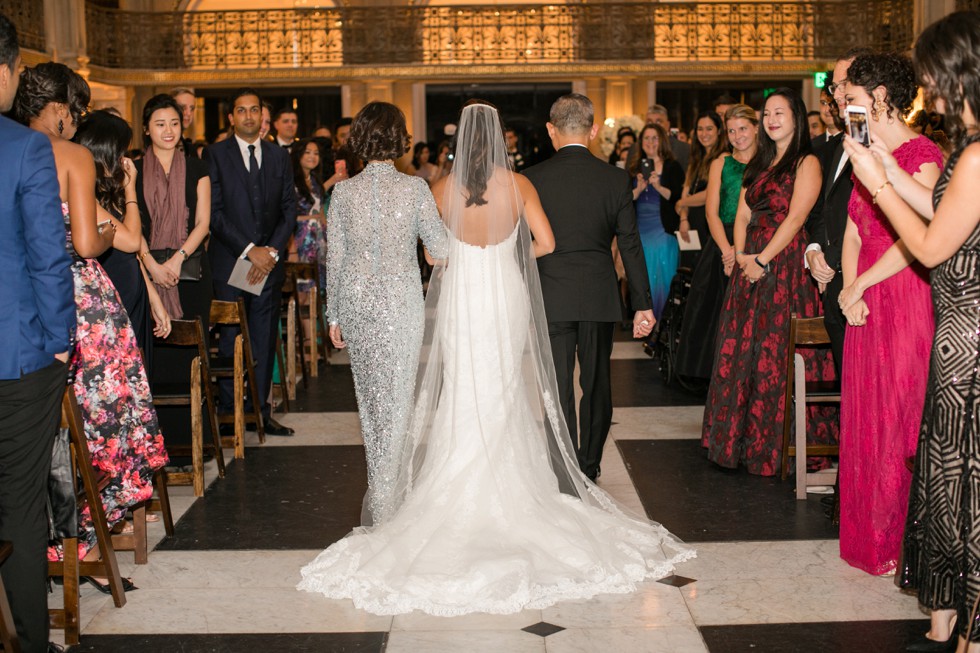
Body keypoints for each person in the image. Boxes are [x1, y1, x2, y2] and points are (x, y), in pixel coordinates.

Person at [298, 100, 694, 616]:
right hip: (503, 292)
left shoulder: (438, 188)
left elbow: (433, 250)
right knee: (505, 385)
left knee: (463, 385)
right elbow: (546, 243)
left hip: (463, 293)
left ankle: (446, 484)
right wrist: (506, 255)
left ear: (460, 144)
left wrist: (455, 256)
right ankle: (513, 485)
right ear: (502, 143)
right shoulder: (520, 185)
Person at [844, 11, 980, 650]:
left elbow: (927, 246)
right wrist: (884, 167)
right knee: (950, 479)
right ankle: (950, 619)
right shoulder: (966, 152)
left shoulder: (975, 153)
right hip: (958, 332)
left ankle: (965, 624)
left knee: (961, 481)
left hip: (966, 336)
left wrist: (876, 181)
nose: (926, 87)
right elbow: (934, 205)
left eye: (933, 75)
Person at [14, 62, 169, 584]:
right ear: (58, 110)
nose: (77, 123)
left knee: (46, 434)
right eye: (75, 112)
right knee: (99, 429)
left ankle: (46, 549)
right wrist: (101, 233)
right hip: (81, 303)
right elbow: (85, 244)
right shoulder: (71, 156)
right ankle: (85, 547)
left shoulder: (9, 148)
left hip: (22, 304)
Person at [833, 52, 944, 577]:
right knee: (867, 413)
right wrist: (848, 289)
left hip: (905, 295)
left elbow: (916, 239)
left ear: (880, 96)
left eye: (850, 95)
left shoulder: (922, 153)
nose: (841, 104)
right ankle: (869, 537)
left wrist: (861, 284)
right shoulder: (863, 155)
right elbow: (854, 229)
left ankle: (907, 541)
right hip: (865, 300)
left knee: (903, 416)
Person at [322, 102, 448, 524]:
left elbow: (335, 258)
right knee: (397, 400)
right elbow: (441, 249)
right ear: (399, 139)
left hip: (356, 301)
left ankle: (382, 498)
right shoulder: (415, 190)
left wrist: (333, 315)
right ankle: (390, 500)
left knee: (370, 402)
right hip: (399, 300)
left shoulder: (342, 192)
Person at [701, 88, 837, 476]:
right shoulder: (759, 162)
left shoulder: (806, 161)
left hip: (785, 266)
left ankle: (778, 448)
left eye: (779, 112)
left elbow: (796, 219)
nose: (771, 119)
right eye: (767, 114)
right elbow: (743, 214)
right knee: (742, 350)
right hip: (752, 265)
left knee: (775, 353)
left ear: (795, 117)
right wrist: (744, 256)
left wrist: (762, 259)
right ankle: (740, 444)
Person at [524, 93, 654, 482]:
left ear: (551, 130)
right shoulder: (615, 178)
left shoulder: (532, 177)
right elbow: (629, 243)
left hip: (551, 294)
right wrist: (643, 304)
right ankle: (590, 463)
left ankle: (563, 465)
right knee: (596, 383)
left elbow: (521, 243)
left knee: (557, 384)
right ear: (594, 130)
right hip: (599, 293)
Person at [0, 15, 75, 652]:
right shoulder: (24, 149)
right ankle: (30, 641)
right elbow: (49, 256)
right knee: (19, 502)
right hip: (18, 353)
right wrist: (60, 339)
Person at [208, 88, 297, 437]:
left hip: (268, 265)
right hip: (232, 263)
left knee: (263, 339)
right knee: (231, 338)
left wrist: (271, 250)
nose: (248, 116)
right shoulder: (214, 154)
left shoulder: (277, 157)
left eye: (254, 110)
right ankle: (232, 414)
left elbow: (289, 208)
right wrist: (249, 250)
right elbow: (214, 212)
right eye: (241, 110)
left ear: (263, 116)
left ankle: (260, 412)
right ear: (231, 117)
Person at [74, 110, 171, 373]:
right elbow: (130, 241)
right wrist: (131, 189)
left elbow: (134, 253)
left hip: (133, 296)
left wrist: (154, 299)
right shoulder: (84, 198)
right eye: (119, 152)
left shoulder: (106, 191)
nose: (123, 160)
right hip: (113, 305)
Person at [675, 105, 757, 381]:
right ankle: (722, 376)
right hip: (723, 242)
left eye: (743, 129)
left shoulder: (770, 162)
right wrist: (727, 252)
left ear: (756, 128)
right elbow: (711, 212)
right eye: (732, 131)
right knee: (717, 313)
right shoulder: (721, 163)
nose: (737, 136)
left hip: (759, 242)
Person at [806, 48, 873, 377]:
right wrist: (814, 250)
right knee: (849, 391)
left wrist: (831, 258)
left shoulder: (877, 145)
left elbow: (870, 218)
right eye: (835, 87)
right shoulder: (839, 145)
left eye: (846, 84)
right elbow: (825, 208)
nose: (839, 94)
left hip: (868, 286)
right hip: (833, 287)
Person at [626, 122, 685, 321]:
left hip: (663, 230)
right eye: (646, 138)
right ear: (640, 143)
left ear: (662, 141)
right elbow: (626, 199)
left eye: (654, 138)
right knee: (644, 280)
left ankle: (661, 327)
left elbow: (678, 197)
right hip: (640, 231)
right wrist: (640, 188)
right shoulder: (634, 167)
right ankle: (645, 324)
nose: (650, 142)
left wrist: (658, 187)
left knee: (664, 279)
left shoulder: (672, 166)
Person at [675, 111, 728, 266]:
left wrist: (681, 202)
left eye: (709, 128)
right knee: (688, 273)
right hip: (691, 224)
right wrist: (683, 218)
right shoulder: (696, 158)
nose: (704, 134)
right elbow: (686, 190)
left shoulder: (723, 157)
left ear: (719, 131)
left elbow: (710, 194)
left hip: (711, 224)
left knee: (707, 274)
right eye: (700, 129)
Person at [646, 104, 690, 170]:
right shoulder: (635, 150)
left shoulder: (684, 149)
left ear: (667, 125)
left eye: (658, 122)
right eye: (649, 122)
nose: (654, 125)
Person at [171, 87, 198, 158]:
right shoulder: (162, 145)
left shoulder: (190, 148)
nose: (189, 113)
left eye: (192, 108)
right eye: (183, 107)